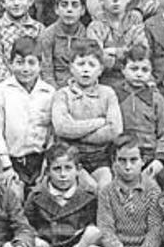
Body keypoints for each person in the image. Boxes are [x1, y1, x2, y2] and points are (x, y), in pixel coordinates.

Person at [22, 144, 101, 247]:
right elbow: (25, 224)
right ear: (47, 172)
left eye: (68, 168)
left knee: (92, 238)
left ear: (78, 169)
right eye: (57, 169)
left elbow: (94, 224)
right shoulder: (36, 195)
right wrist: (35, 238)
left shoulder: (89, 196)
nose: (63, 174)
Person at [0, 36, 55, 193]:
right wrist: (6, 166)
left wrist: (48, 163)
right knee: (14, 193)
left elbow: (52, 133)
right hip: (12, 161)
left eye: (31, 63)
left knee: (44, 195)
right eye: (19, 62)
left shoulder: (49, 93)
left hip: (41, 161)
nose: (25, 68)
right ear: (10, 64)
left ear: (40, 65)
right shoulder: (1, 92)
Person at [51, 40, 123, 190]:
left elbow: (114, 130)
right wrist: (99, 122)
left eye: (91, 65)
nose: (85, 70)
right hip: (71, 158)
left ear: (101, 69)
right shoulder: (62, 95)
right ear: (71, 67)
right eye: (80, 64)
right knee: (88, 187)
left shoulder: (107, 93)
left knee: (105, 188)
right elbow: (62, 128)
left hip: (101, 157)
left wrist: (77, 133)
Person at [113, 44, 164, 185]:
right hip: (121, 155)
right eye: (134, 69)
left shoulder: (156, 98)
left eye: (144, 70)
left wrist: (159, 160)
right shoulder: (114, 95)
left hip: (148, 156)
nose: (139, 74)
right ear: (123, 70)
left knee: (151, 190)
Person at [86, 0, 147, 84]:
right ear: (101, 0)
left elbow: (140, 52)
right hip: (105, 80)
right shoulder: (96, 26)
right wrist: (126, 53)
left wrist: (112, 51)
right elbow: (98, 58)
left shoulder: (135, 20)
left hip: (134, 77)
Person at [37, 0, 90, 88]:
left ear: (82, 10)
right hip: (54, 87)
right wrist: (57, 92)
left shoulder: (86, 35)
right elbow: (46, 70)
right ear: (56, 9)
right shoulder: (48, 34)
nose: (69, 10)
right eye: (64, 5)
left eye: (75, 5)